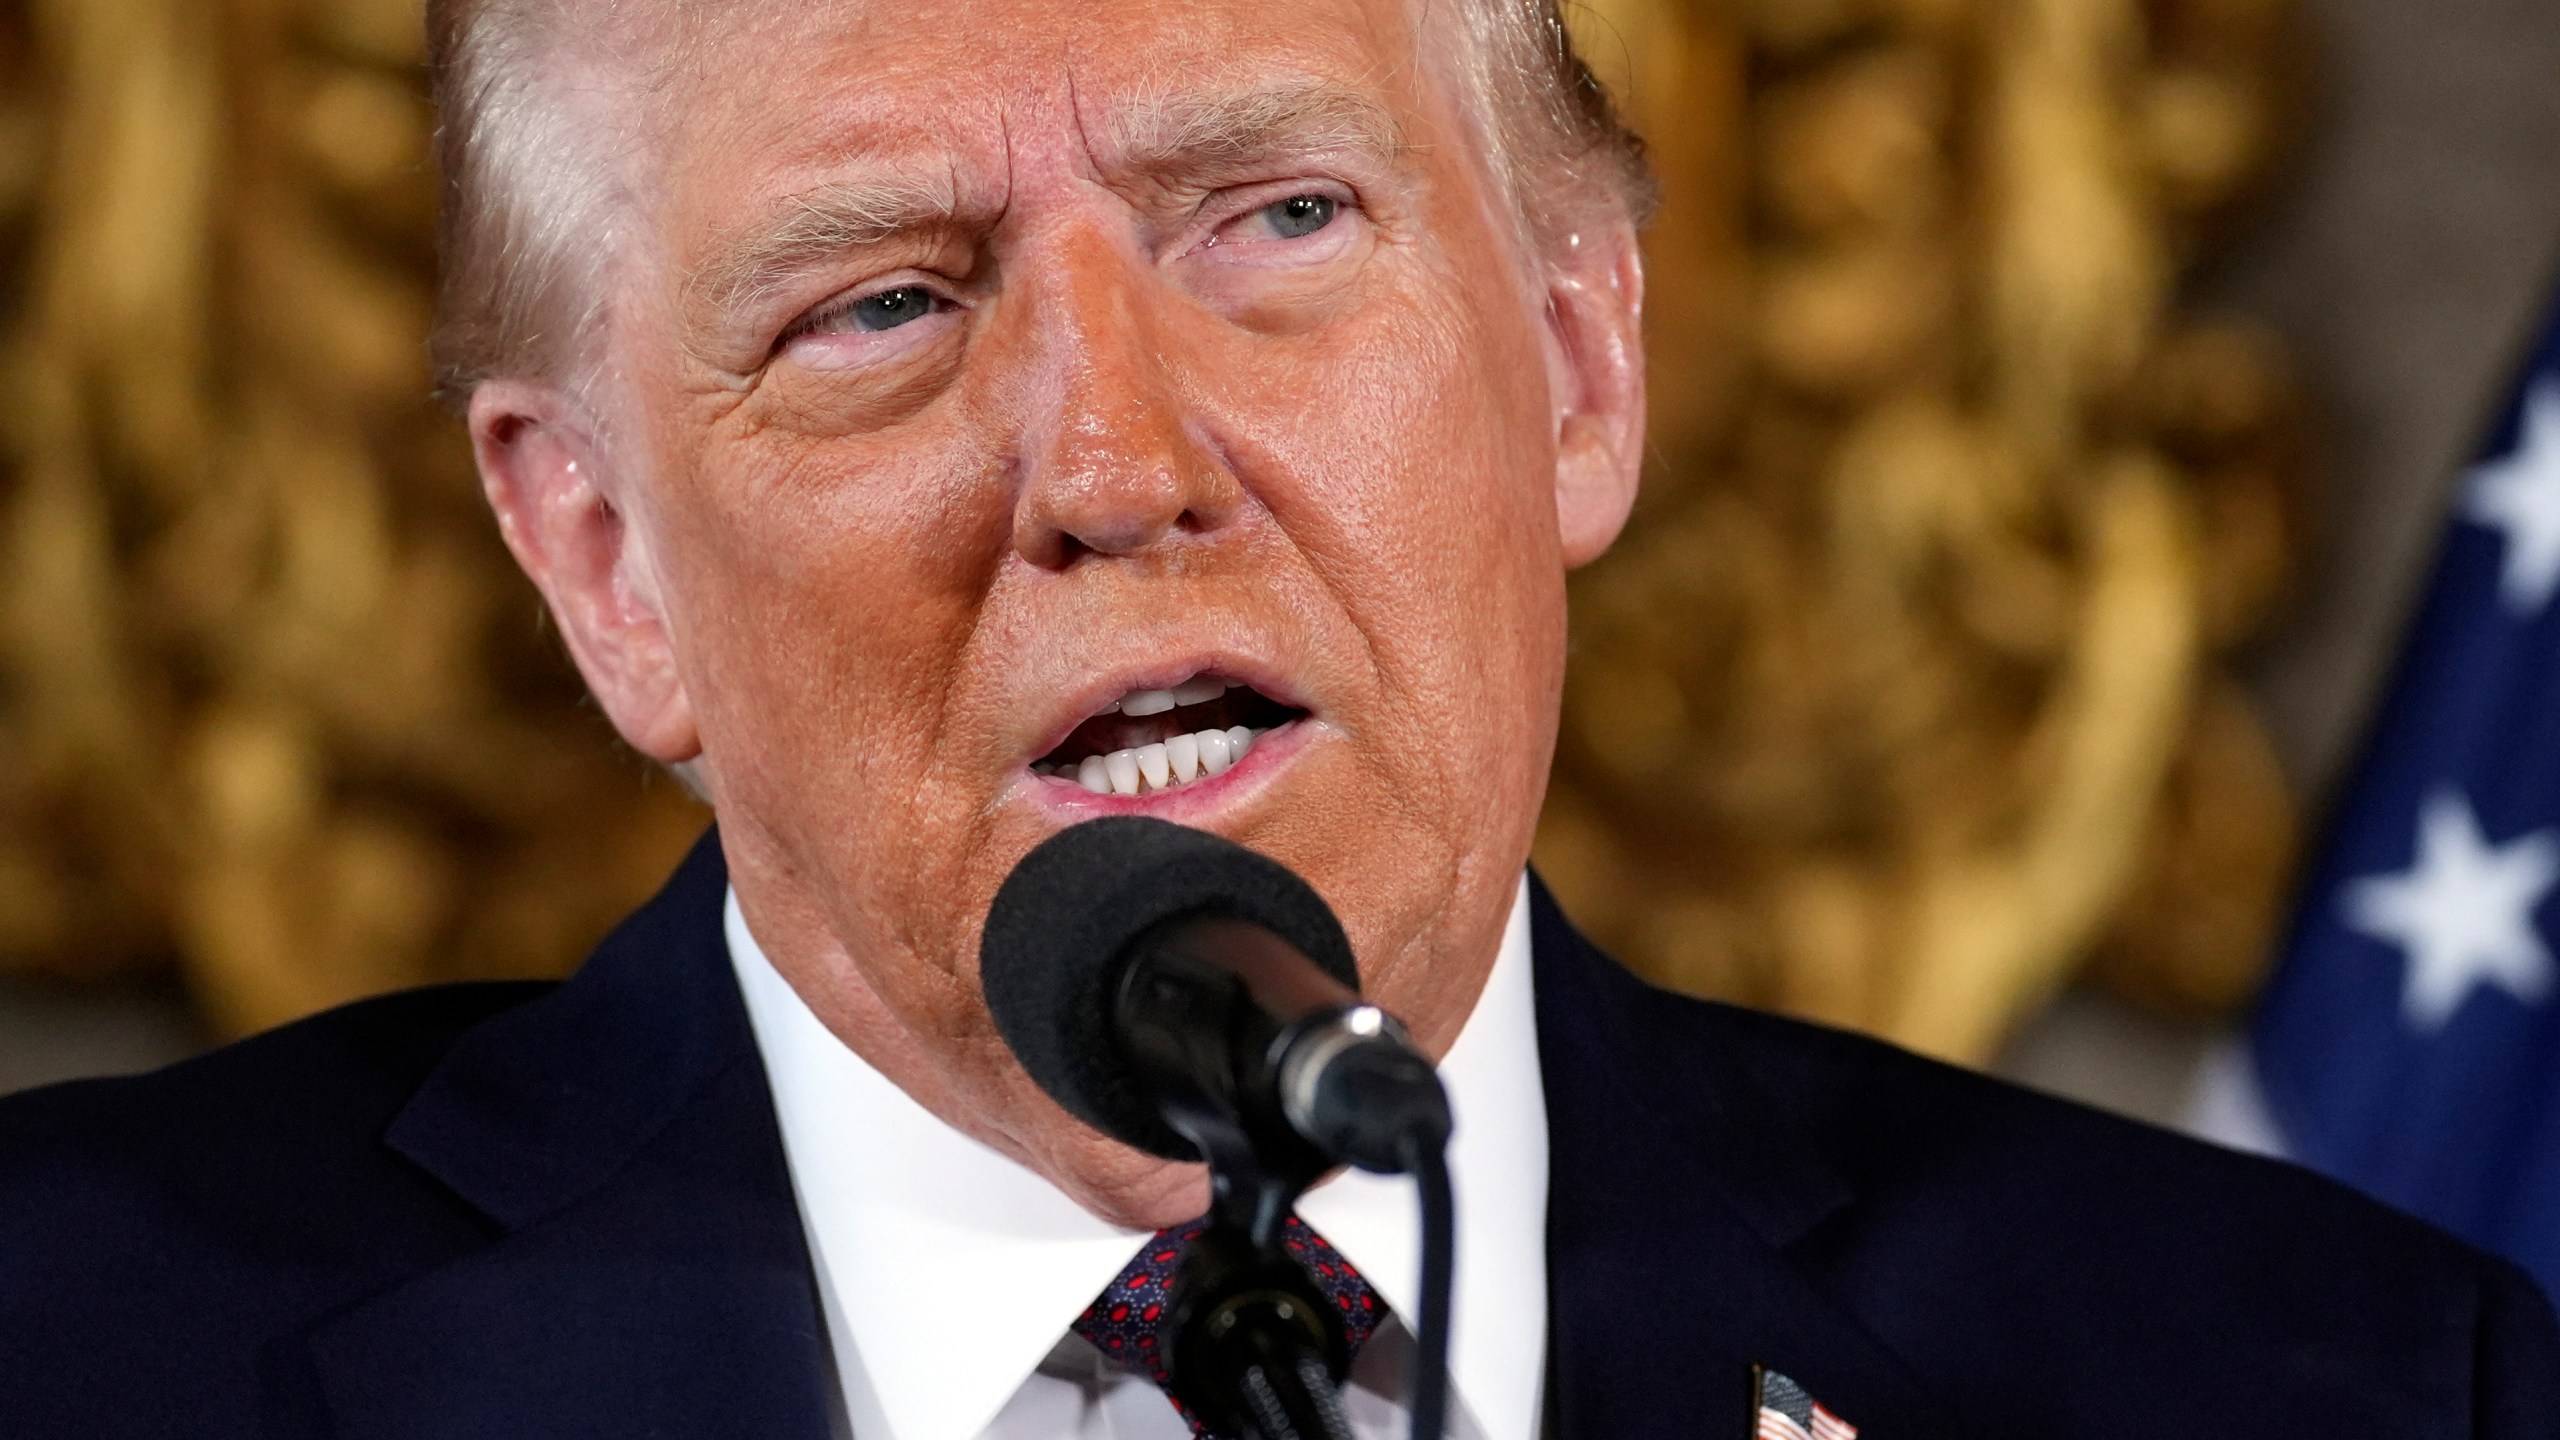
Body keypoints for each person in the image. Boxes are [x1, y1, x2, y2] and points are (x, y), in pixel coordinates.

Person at [1, 0, 2552, 1434]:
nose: (1113, 466)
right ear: (603, 560)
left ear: (1573, 362)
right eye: (882, 303)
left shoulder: (2322, 1384)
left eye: (1279, 221)